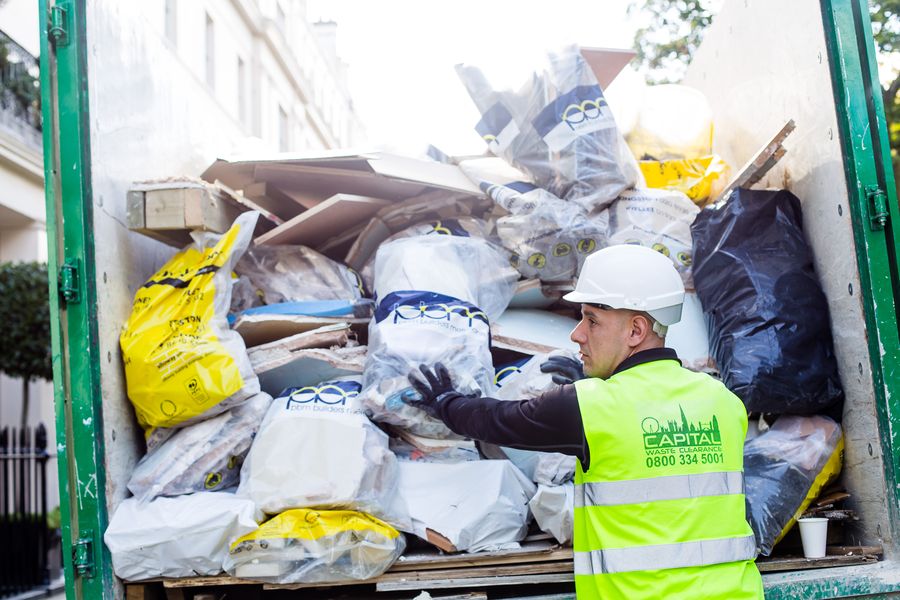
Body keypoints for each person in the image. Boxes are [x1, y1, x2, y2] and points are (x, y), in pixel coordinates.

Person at [402, 244, 764, 600]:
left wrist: (445, 402)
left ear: (636, 331)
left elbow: (497, 421)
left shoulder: (589, 406)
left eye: (592, 320)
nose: (577, 334)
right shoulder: (724, 402)